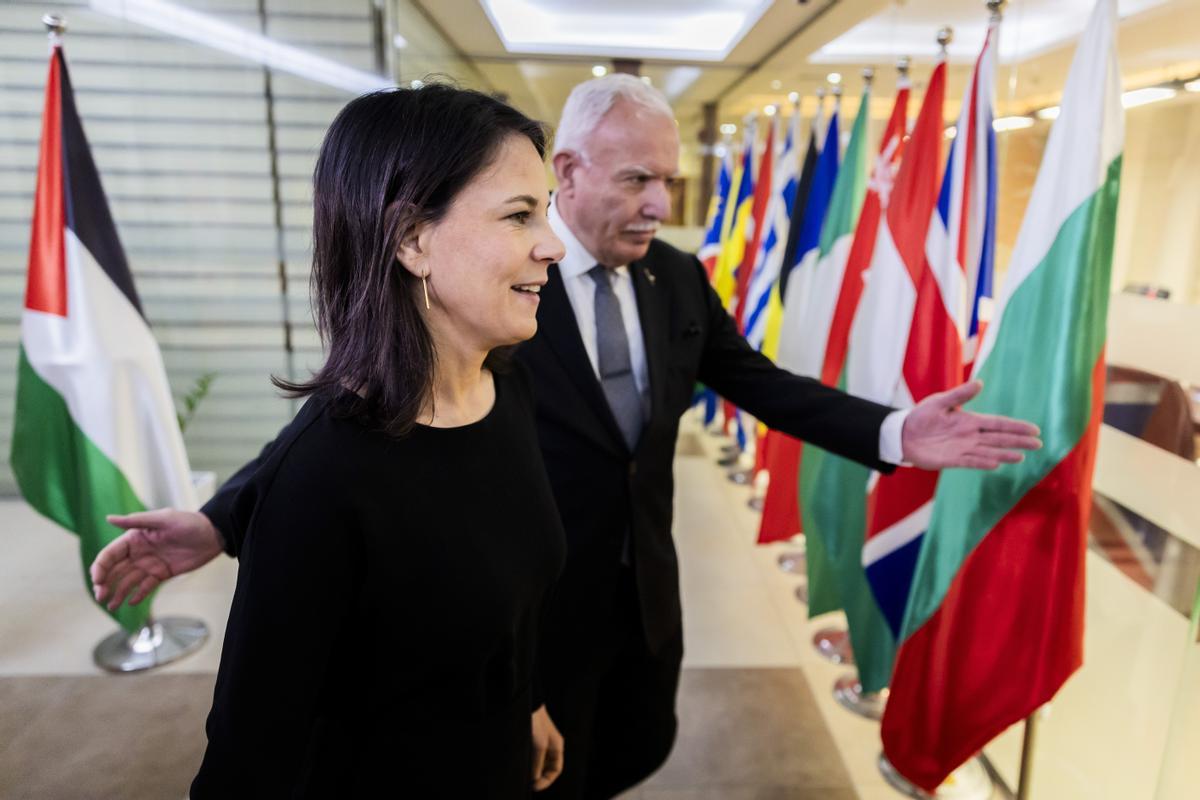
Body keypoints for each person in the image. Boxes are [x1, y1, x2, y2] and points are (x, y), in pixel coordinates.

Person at [93, 76, 1040, 799]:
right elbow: (345, 440)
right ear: (572, 176)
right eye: (636, 179)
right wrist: (226, 519)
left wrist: (895, 431)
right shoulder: (490, 321)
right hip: (505, 637)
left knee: (608, 762)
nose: (660, 203)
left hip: (592, 614)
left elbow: (755, 380)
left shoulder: (655, 289)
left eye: (668, 181)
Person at [101, 84, 572, 797]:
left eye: (545, 211)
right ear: (412, 239)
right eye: (519, 215)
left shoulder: (507, 391)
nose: (554, 244)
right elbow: (246, 760)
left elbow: (509, 601)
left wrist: (525, 703)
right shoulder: (319, 484)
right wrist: (240, 518)